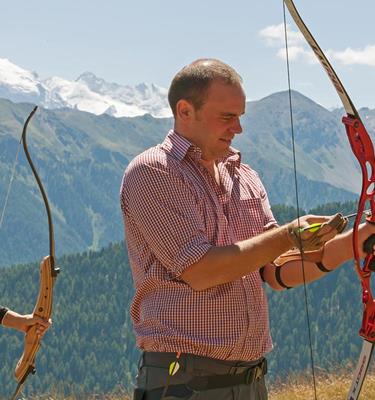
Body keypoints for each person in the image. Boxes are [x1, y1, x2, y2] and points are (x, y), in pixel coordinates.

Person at [120, 58, 375, 400]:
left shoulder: (245, 176)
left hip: (251, 380)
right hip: (183, 382)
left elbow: (275, 269)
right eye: (226, 117)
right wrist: (286, 235)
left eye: (240, 116)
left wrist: (355, 242)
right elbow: (201, 270)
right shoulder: (154, 172)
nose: (237, 128)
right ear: (185, 111)